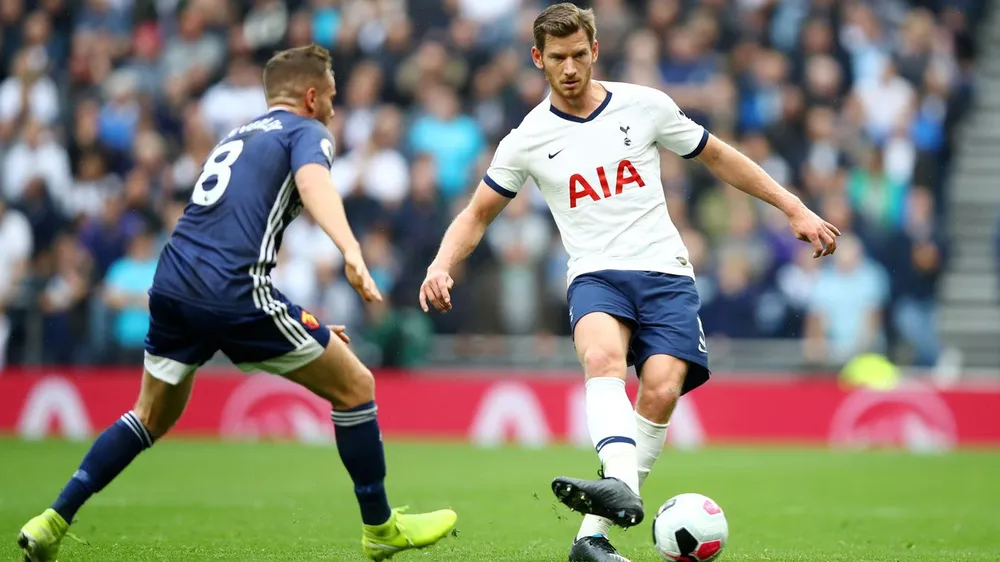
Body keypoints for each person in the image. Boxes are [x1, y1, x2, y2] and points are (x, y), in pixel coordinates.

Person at [418, 4, 839, 562]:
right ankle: (619, 479)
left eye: (578, 56)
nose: (569, 69)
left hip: (665, 271)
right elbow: (476, 214)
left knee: (662, 387)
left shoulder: (645, 106)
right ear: (537, 59)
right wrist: (441, 264)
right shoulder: (527, 139)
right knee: (601, 358)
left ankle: (591, 538)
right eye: (556, 59)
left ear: (594, 51)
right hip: (595, 274)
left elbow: (718, 157)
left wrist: (793, 208)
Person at [18, 44, 457, 562]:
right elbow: (313, 186)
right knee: (356, 385)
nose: (336, 109)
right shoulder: (307, 132)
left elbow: (230, 246)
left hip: (174, 283)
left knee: (150, 415)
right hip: (231, 293)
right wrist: (351, 249)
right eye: (333, 97)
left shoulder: (238, 135)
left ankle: (51, 520)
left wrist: (302, 323)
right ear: (311, 96)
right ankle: (380, 529)